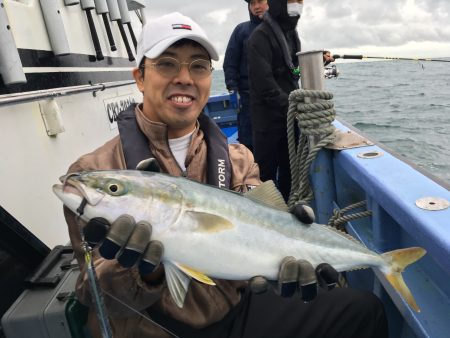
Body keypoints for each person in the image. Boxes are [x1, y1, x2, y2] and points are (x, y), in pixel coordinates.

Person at [63, 12, 388, 338]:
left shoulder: (237, 157)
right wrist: (142, 272)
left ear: (209, 78)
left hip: (237, 309)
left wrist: (286, 255)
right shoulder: (91, 172)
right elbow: (93, 293)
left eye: (199, 66)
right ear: (140, 77)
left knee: (362, 310)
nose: (185, 78)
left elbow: (258, 231)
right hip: (152, 328)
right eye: (167, 64)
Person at [247, 0, 304, 201]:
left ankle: (289, 208)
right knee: (266, 176)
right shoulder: (258, 38)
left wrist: (315, 62)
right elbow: (265, 87)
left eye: (300, 1)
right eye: (292, 1)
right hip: (267, 122)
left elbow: (294, 71)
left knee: (291, 171)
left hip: (289, 119)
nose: (297, 4)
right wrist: (294, 108)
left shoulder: (292, 35)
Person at [223, 0, 269, 151]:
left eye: (260, 1)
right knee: (249, 142)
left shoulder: (283, 31)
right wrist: (232, 89)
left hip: (276, 100)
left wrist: (319, 61)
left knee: (279, 142)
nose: (256, 7)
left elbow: (293, 67)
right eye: (252, 3)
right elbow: (230, 63)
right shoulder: (241, 30)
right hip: (248, 100)